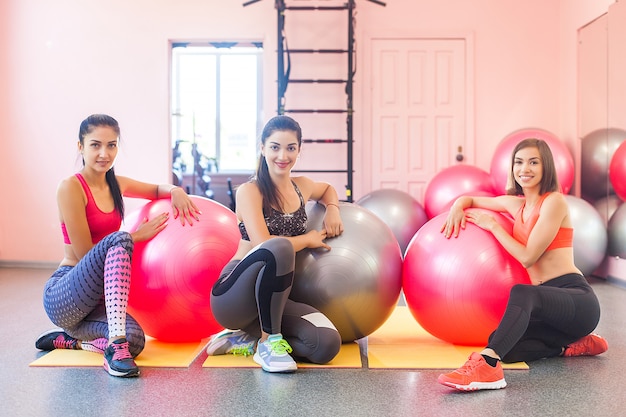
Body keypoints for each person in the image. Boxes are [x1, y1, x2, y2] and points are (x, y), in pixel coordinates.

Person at [35, 114, 201, 378]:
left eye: (112, 145)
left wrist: (176, 191)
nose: (104, 153)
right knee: (121, 237)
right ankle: (116, 349)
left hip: (96, 304)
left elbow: (158, 189)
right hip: (65, 295)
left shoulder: (116, 183)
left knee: (136, 340)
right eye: (95, 145)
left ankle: (74, 342)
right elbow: (84, 253)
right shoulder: (70, 187)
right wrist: (136, 236)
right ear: (80, 146)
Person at [437, 138, 608, 391]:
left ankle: (488, 366)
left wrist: (493, 226)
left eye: (533, 162)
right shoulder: (515, 204)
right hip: (548, 311)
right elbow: (470, 199)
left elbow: (529, 256)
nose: (524, 169)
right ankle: (571, 346)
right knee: (503, 342)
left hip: (576, 300)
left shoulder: (554, 202)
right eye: (519, 162)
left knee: (521, 294)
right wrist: (457, 206)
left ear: (545, 167)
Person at [206, 115, 344, 373]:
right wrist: (308, 239)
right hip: (235, 297)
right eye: (275, 147)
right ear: (262, 148)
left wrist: (333, 209)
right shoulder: (250, 191)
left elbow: (327, 190)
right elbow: (263, 244)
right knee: (278, 247)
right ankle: (269, 342)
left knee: (327, 343)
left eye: (291, 148)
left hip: (273, 300)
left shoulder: (302, 186)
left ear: (299, 150)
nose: (283, 155)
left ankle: (251, 341)